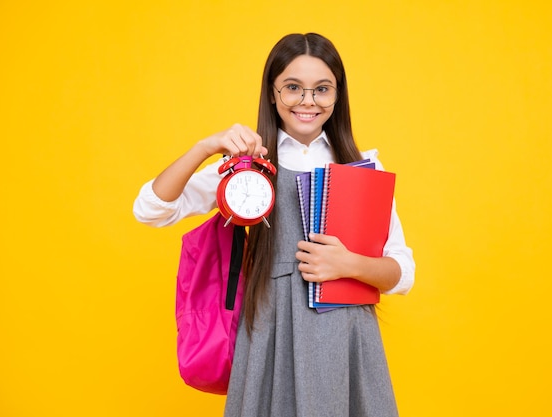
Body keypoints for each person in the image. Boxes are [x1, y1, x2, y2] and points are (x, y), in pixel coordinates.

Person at [133, 32, 415, 417]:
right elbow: (151, 209)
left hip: (346, 338)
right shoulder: (247, 166)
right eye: (293, 88)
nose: (307, 101)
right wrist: (206, 147)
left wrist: (349, 265)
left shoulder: (362, 167)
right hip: (270, 334)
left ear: (337, 95)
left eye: (322, 89)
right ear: (272, 92)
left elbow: (402, 273)